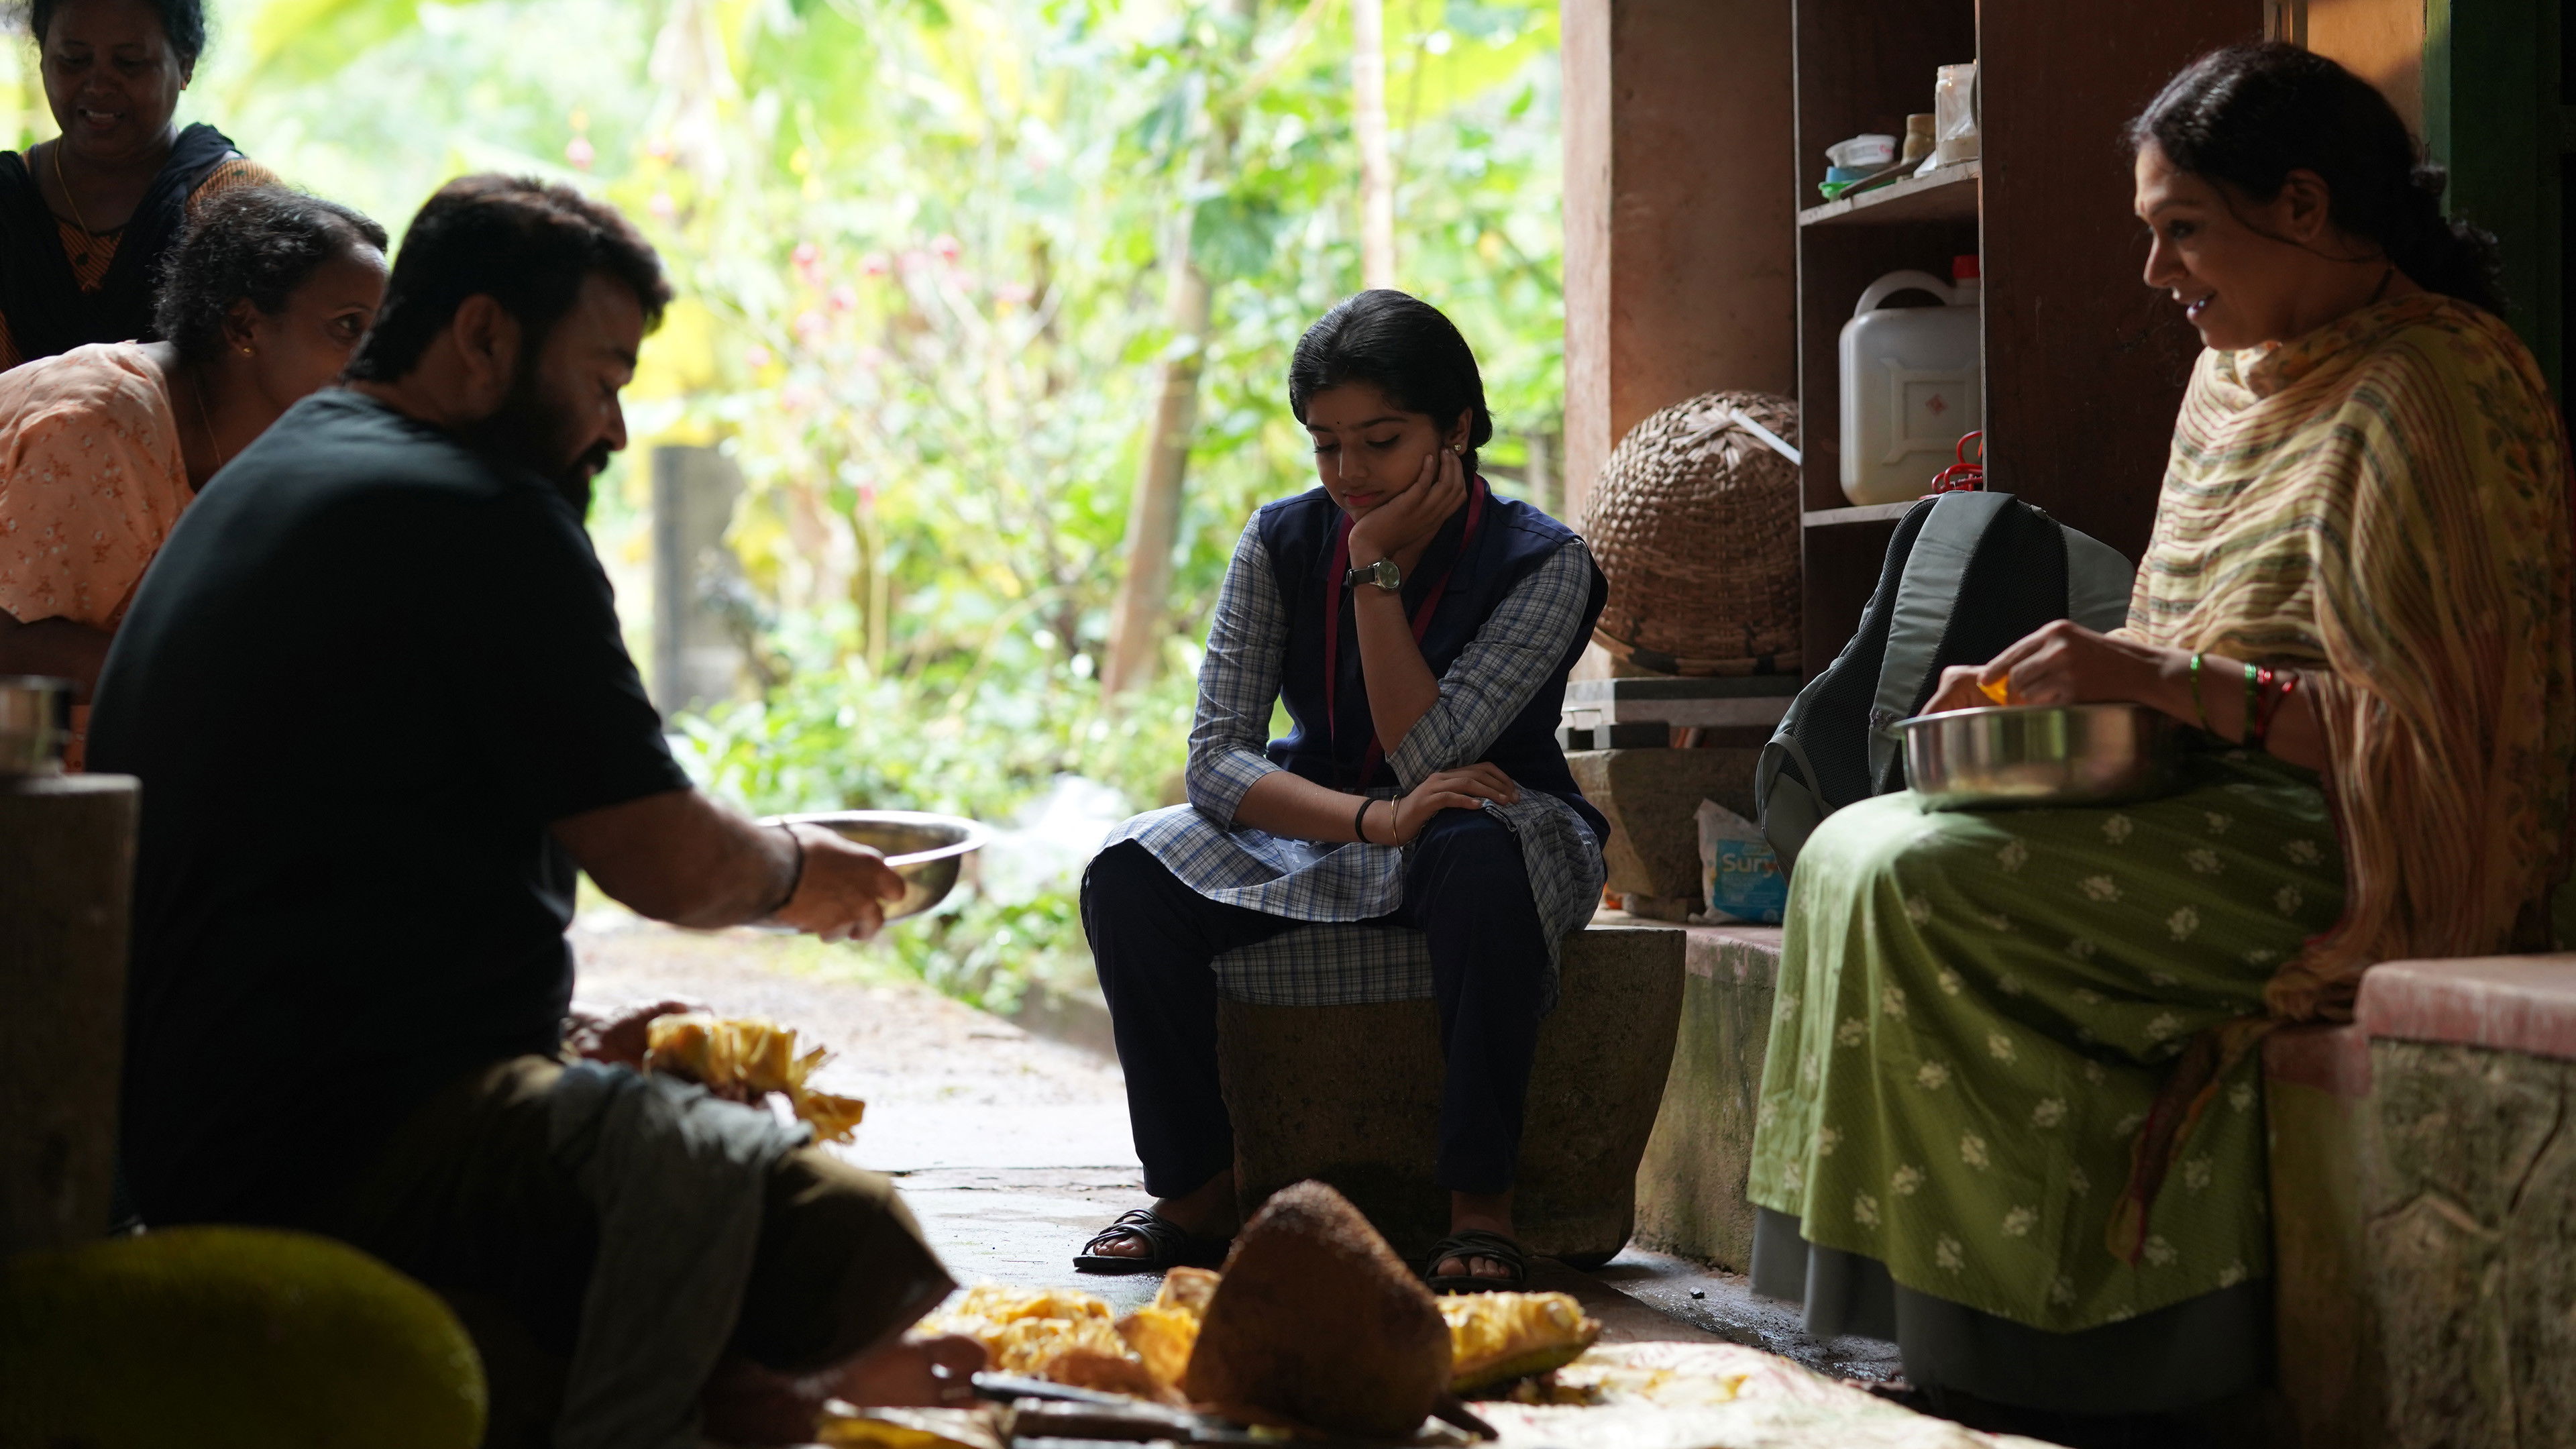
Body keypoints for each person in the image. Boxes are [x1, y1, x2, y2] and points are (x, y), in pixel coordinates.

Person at [1746, 42, 2574, 1442]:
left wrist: (2159, 680)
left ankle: (2090, 1354)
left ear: (2302, 206)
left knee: (1921, 879)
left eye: (2181, 229)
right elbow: (2180, 653)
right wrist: (2054, 698)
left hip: (2347, 836)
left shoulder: (2433, 389)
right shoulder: (2228, 377)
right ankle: (1965, 1336)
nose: (2154, 272)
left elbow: (2451, 748)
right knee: (1850, 847)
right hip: (2200, 791)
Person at [88, 176, 980, 1448]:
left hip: (191, 1129)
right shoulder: (478, 512)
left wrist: (546, 1035)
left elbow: (342, 878)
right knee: (843, 1230)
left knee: (664, 1153)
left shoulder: (291, 460)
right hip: (337, 1146)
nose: (614, 426)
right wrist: (797, 871)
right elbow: (667, 862)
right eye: (604, 375)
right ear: (484, 337)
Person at [1077, 290, 1609, 1293]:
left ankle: (1480, 1207)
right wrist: (1374, 821)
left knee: (1474, 854)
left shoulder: (1546, 563)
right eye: (1327, 445)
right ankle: (1195, 1193)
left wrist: (1372, 573)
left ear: (1456, 429)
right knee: (1126, 875)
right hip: (1329, 820)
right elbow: (1217, 760)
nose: (1350, 473)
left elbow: (1431, 755)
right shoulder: (1281, 540)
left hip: (1491, 819)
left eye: (1382, 439)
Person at [0, 185, 386, 767]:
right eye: (348, 326)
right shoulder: (99, 419)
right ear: (244, 325)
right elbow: (13, 648)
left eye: (381, 335)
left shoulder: (285, 438)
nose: (374, 359)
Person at [0, 0, 278, 371]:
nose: (98, 86)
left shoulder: (237, 202)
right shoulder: (7, 198)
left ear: (185, 66)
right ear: (43, 60)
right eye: (73, 60)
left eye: (129, 63)